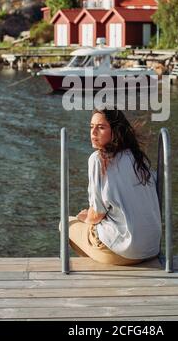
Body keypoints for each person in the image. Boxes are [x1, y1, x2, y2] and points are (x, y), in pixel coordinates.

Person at [67, 107, 162, 265]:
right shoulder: (138, 158)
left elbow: (97, 214)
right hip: (151, 248)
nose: (93, 133)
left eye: (101, 127)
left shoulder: (97, 160)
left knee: (66, 223)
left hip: (124, 251)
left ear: (115, 131)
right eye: (91, 127)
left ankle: (104, 267)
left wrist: (84, 218)